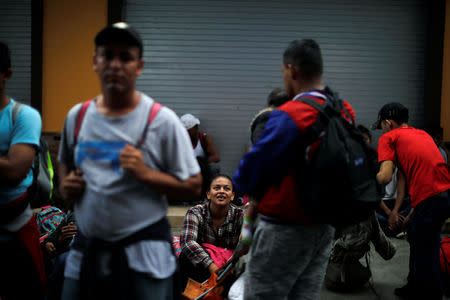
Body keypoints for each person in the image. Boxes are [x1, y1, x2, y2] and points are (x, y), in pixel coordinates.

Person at [57, 22, 202, 300]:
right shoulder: (78, 116)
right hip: (86, 253)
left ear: (139, 66)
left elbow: (194, 184)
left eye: (125, 58)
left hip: (144, 258)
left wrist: (145, 174)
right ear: (94, 62)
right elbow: (64, 162)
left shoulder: (162, 121)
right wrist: (66, 185)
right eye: (107, 55)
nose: (115, 64)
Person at [232, 39, 356, 299]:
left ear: (292, 70)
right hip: (325, 228)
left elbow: (248, 175)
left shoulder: (290, 114)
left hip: (283, 228)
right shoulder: (344, 110)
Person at [374, 102, 450, 299]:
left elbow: (385, 177)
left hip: (430, 200)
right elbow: (403, 180)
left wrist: (363, 180)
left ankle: (430, 294)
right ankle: (414, 285)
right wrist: (399, 213)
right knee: (416, 238)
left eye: (381, 125)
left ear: (388, 123)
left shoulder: (389, 138)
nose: (381, 130)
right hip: (441, 197)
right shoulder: (421, 135)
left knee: (427, 251)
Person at [0, 41, 46, 300]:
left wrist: (10, 164)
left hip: (16, 223)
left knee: (31, 289)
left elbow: (15, 171)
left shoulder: (23, 116)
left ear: (6, 74)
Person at [179, 174, 243, 287]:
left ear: (232, 196)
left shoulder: (240, 215)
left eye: (226, 189)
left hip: (229, 269)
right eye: (217, 188)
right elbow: (187, 242)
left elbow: (246, 245)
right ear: (208, 194)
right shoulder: (195, 212)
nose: (222, 191)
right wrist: (211, 266)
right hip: (201, 267)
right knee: (185, 256)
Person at [181, 113, 221, 198]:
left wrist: (199, 162)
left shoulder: (204, 139)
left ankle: (201, 195)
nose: (186, 132)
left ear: (195, 128)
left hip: (202, 173)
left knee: (199, 161)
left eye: (188, 130)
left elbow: (216, 157)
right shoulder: (180, 140)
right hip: (186, 172)